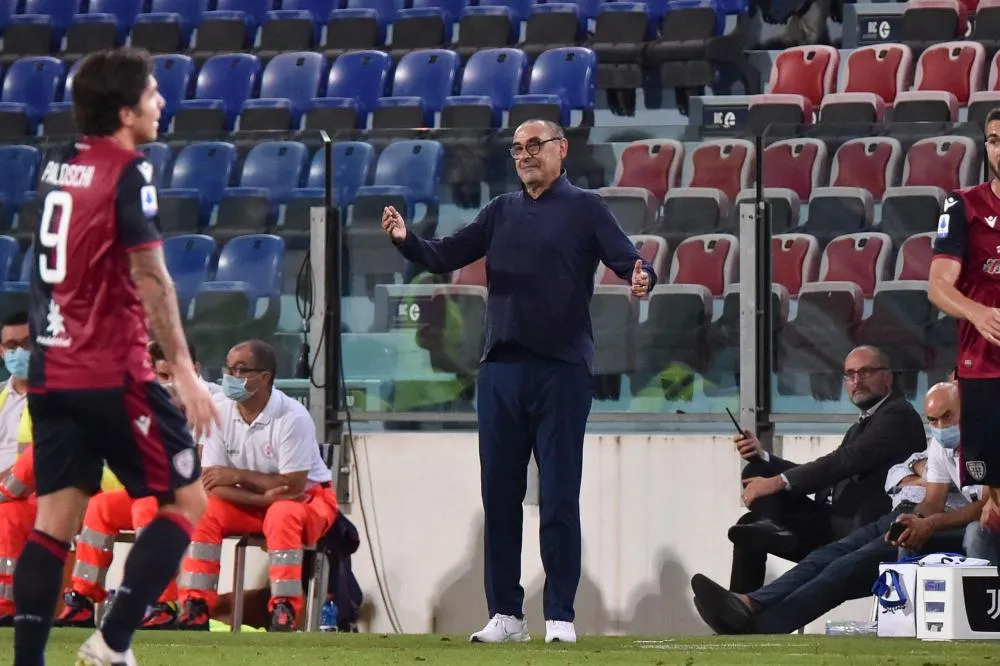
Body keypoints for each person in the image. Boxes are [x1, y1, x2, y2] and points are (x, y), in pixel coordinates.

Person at [382, 119, 657, 644]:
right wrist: (406, 240)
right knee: (500, 497)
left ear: (561, 149)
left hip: (562, 371)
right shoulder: (500, 211)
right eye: (517, 149)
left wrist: (642, 276)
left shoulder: (586, 208)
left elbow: (629, 260)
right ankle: (506, 614)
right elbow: (445, 254)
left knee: (559, 497)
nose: (525, 155)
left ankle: (560, 616)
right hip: (501, 370)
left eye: (535, 145)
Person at [14, 47, 220, 666]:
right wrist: (185, 372)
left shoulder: (59, 163)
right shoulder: (129, 171)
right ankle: (112, 641)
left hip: (50, 371)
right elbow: (151, 276)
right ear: (126, 112)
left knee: (53, 522)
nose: (162, 102)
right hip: (110, 370)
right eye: (153, 93)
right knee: (186, 501)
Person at [692, 382, 989, 634]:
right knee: (827, 554)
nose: (941, 427)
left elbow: (988, 507)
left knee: (844, 566)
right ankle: (750, 602)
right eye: (933, 421)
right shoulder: (940, 444)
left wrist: (926, 523)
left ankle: (760, 628)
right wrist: (914, 520)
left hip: (970, 527)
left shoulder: (913, 420)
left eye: (947, 417)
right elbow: (931, 499)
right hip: (913, 516)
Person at [727, 345, 926, 593]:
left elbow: (844, 461)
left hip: (857, 532)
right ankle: (739, 599)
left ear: (888, 377)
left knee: (760, 500)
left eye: (865, 372)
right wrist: (764, 457)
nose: (857, 381)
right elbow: (829, 475)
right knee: (755, 482)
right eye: (850, 374)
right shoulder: (862, 424)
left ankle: (769, 530)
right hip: (831, 520)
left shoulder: (898, 414)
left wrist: (776, 482)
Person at [55, 339, 221, 630]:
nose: (167, 384)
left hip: (198, 496)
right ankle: (83, 598)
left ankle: (162, 603)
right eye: (161, 375)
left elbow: (202, 466)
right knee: (101, 507)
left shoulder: (214, 403)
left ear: (193, 370)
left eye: (173, 376)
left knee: (148, 507)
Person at [176, 340, 337, 632]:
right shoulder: (218, 410)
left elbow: (293, 486)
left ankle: (284, 609)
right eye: (229, 368)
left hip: (307, 501)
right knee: (203, 509)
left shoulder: (292, 417)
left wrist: (235, 475)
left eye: (240, 370)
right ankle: (195, 605)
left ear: (264, 377)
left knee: (282, 514)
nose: (230, 376)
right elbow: (212, 482)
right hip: (254, 500)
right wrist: (262, 497)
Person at [929, 106, 1000, 514]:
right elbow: (938, 286)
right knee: (995, 503)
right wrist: (977, 312)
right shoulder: (963, 206)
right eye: (994, 140)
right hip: (985, 369)